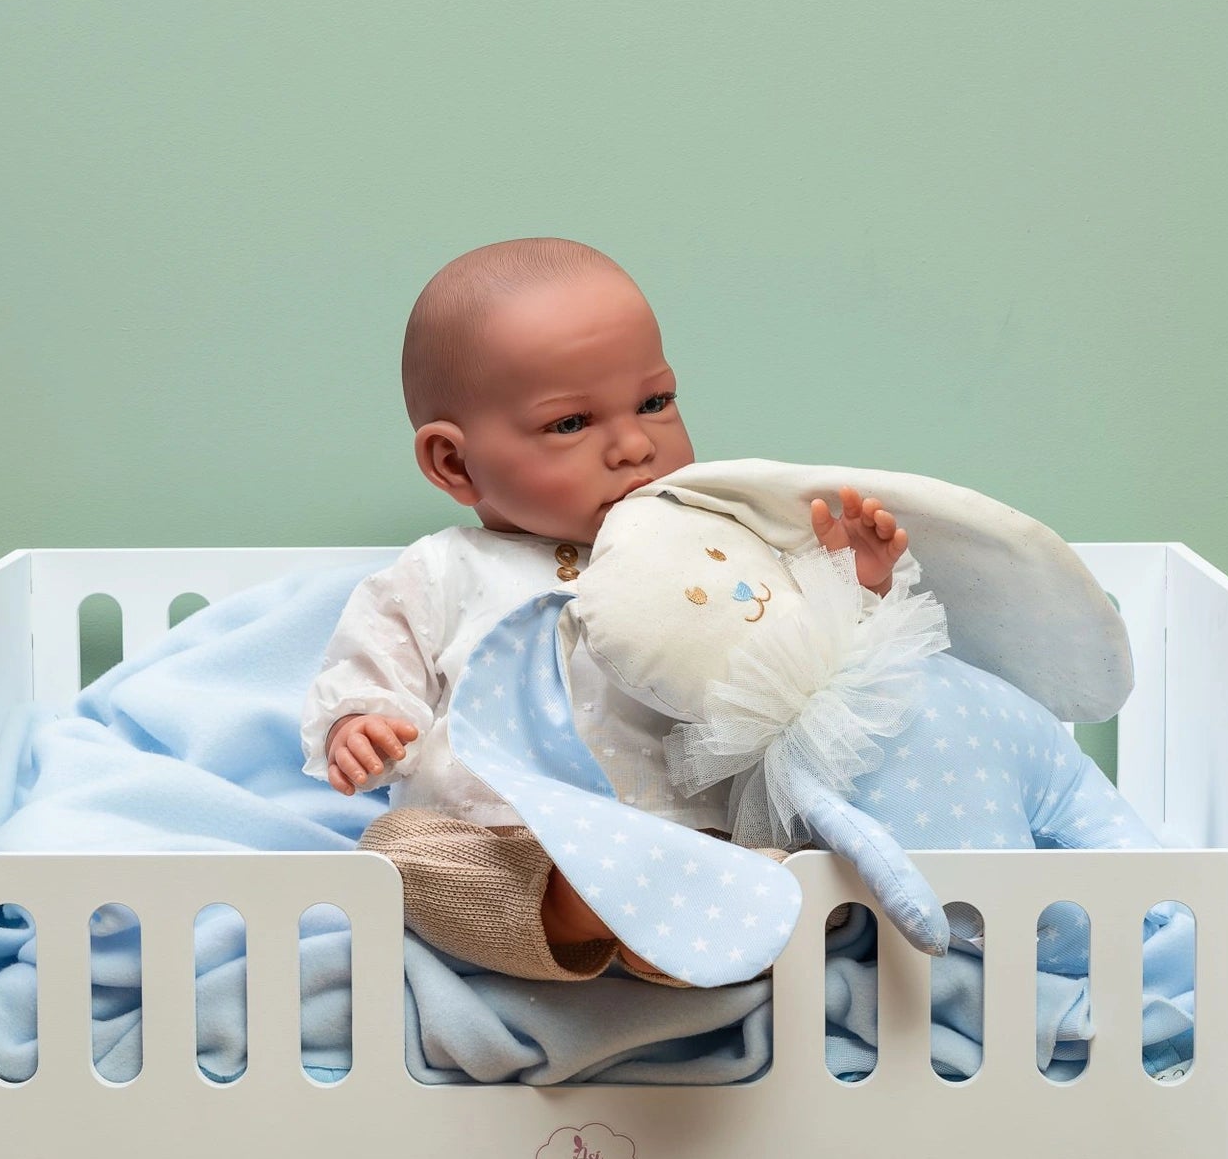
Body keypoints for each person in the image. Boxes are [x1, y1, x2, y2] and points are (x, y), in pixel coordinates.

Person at [300, 236, 908, 981]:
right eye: (570, 423)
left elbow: (803, 669)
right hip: (511, 844)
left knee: (805, 855)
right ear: (454, 463)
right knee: (399, 851)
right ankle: (589, 912)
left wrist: (852, 587)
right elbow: (370, 669)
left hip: (688, 836)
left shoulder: (713, 543)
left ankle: (689, 923)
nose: (632, 445)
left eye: (655, 403)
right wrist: (361, 726)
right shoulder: (441, 571)